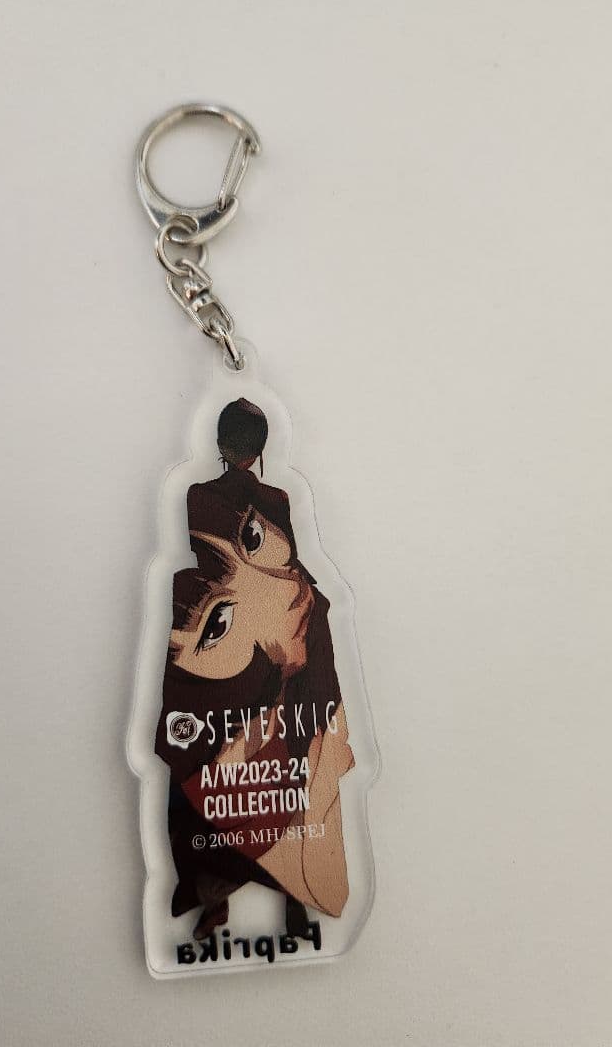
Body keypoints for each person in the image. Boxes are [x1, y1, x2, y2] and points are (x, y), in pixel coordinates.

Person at [155, 398, 354, 940]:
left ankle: (213, 900)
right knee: (292, 757)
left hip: (220, 637)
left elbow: (211, 564)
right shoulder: (274, 499)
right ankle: (292, 898)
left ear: (221, 444)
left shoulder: (197, 495)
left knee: (198, 760)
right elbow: (287, 565)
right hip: (259, 637)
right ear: (261, 448)